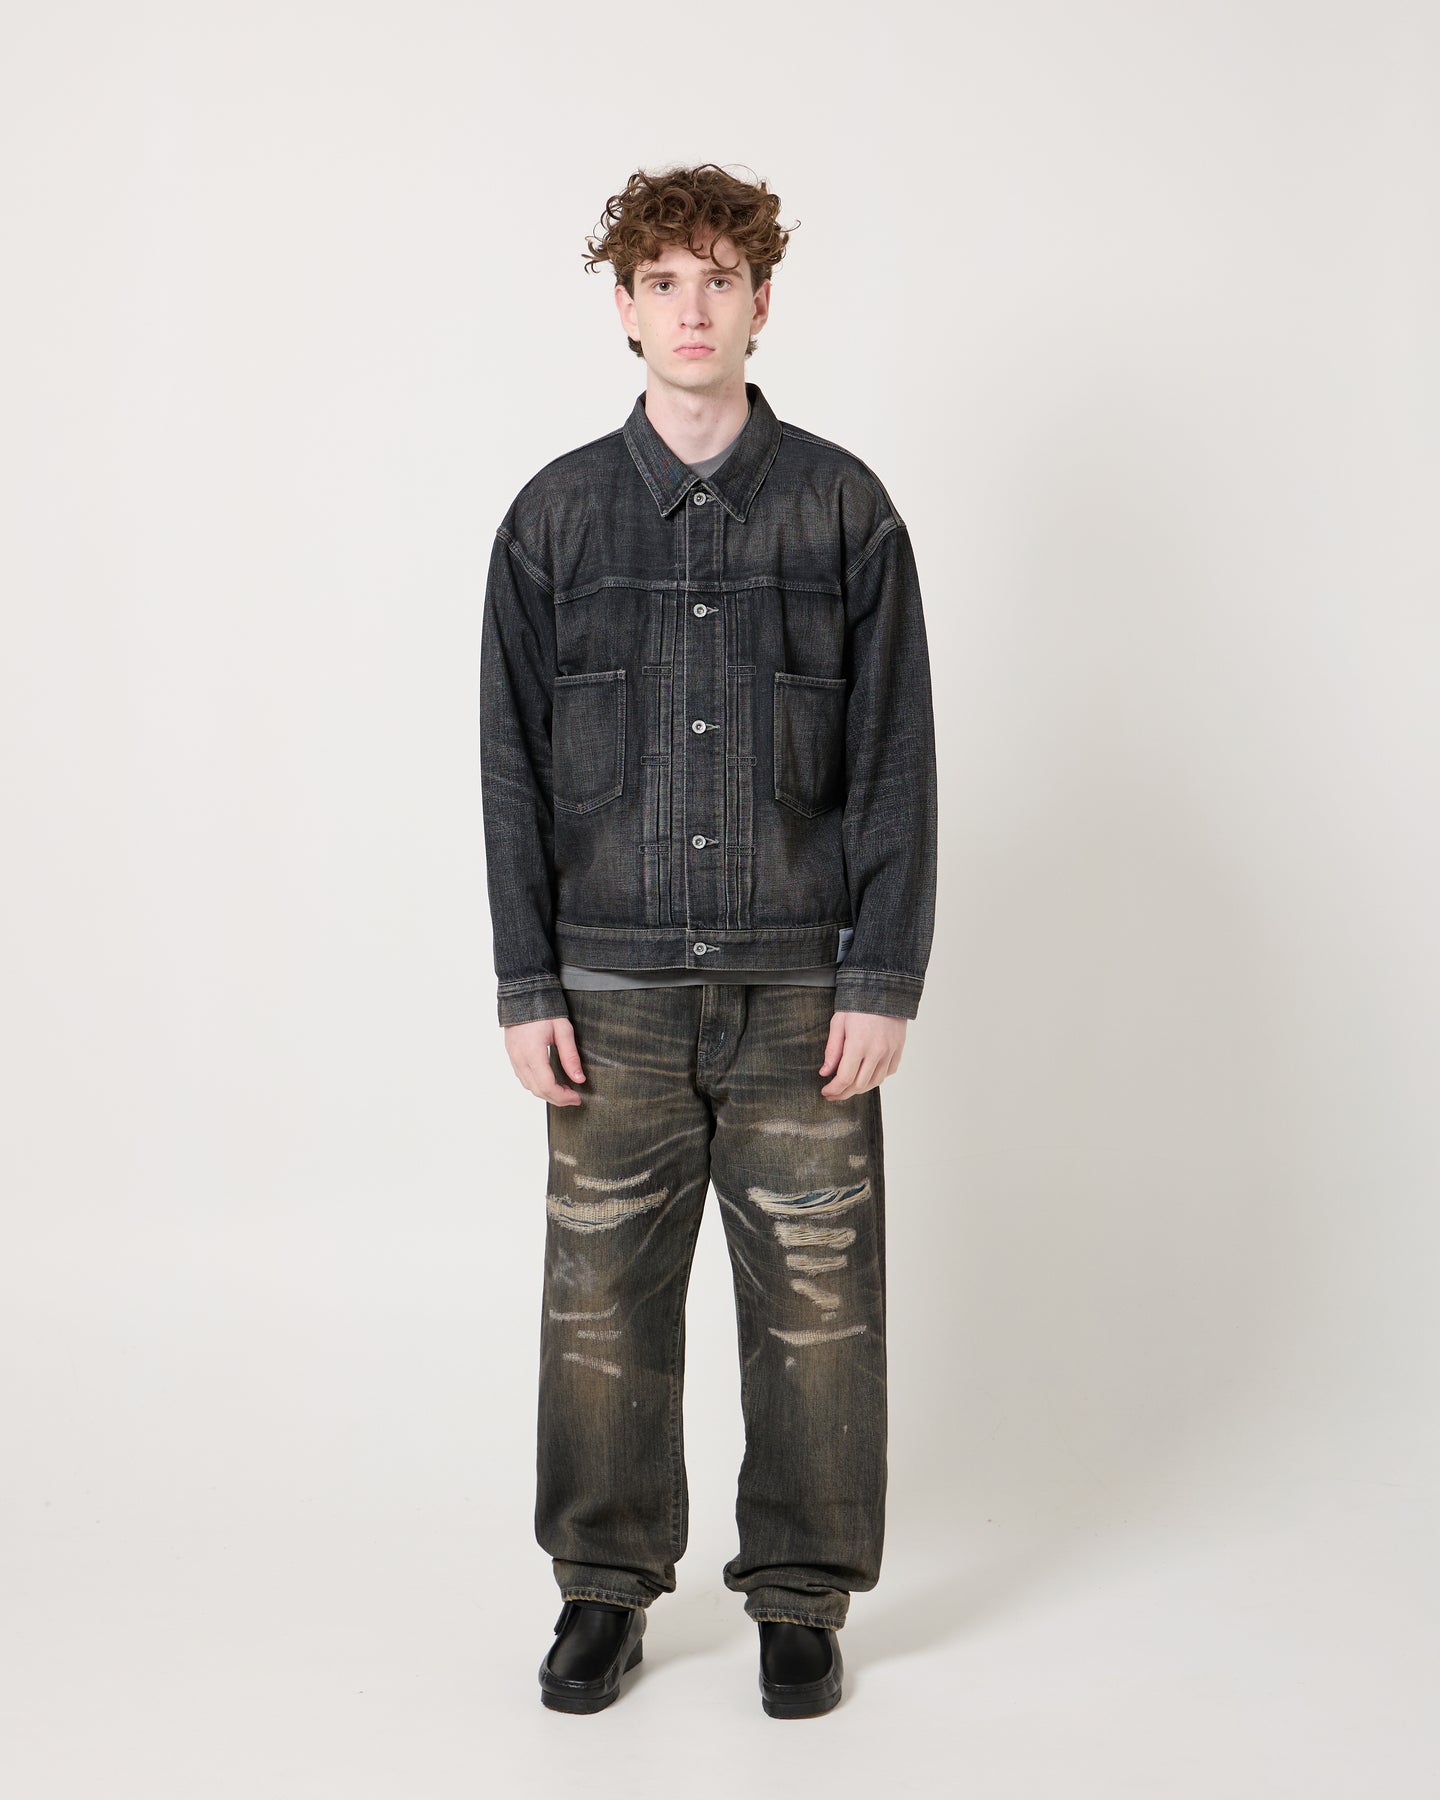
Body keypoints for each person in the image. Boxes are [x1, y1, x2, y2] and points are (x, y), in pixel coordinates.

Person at [479, 162, 938, 1718]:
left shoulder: (843, 510)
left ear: (760, 302)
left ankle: (802, 1597)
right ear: (624, 308)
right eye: (663, 281)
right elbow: (510, 767)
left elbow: (893, 756)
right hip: (607, 994)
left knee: (820, 1305)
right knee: (600, 1306)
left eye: (719, 280)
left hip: (802, 990)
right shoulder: (553, 520)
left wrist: (882, 973)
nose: (692, 308)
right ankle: (602, 1592)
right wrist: (526, 982)